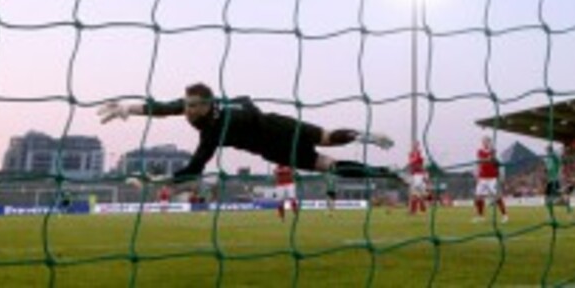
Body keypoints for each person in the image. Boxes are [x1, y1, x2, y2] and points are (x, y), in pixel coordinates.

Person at [98, 83, 397, 186]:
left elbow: (194, 169)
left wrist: (155, 181)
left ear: (205, 106)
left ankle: (383, 168)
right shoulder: (207, 108)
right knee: (328, 142)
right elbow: (164, 108)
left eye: (191, 106)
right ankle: (371, 146)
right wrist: (128, 108)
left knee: (327, 163)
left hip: (275, 144)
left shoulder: (213, 132)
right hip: (279, 125)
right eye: (186, 105)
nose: (186, 111)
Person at [473, 136, 508, 223]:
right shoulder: (480, 151)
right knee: (478, 197)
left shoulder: (494, 151)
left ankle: (504, 215)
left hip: (492, 178)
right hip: (482, 178)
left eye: (487, 141)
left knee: (497, 197)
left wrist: (492, 158)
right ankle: (480, 216)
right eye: (484, 142)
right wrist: (477, 175)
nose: (485, 143)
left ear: (490, 142)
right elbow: (480, 160)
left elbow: (496, 162)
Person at [543, 145, 572, 214]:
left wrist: (554, 153)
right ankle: (552, 214)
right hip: (550, 180)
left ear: (550, 150)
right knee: (548, 197)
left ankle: (567, 207)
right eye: (547, 150)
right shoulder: (548, 160)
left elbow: (559, 161)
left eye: (548, 150)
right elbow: (548, 169)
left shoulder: (554, 157)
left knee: (556, 195)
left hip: (555, 179)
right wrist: (546, 170)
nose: (547, 151)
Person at [407, 141, 427, 215]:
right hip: (415, 175)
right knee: (415, 193)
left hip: (420, 175)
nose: (416, 147)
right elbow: (411, 162)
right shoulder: (411, 154)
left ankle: (419, 209)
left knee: (420, 193)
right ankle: (415, 210)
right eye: (414, 145)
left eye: (417, 145)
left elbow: (422, 164)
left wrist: (425, 175)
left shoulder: (420, 155)